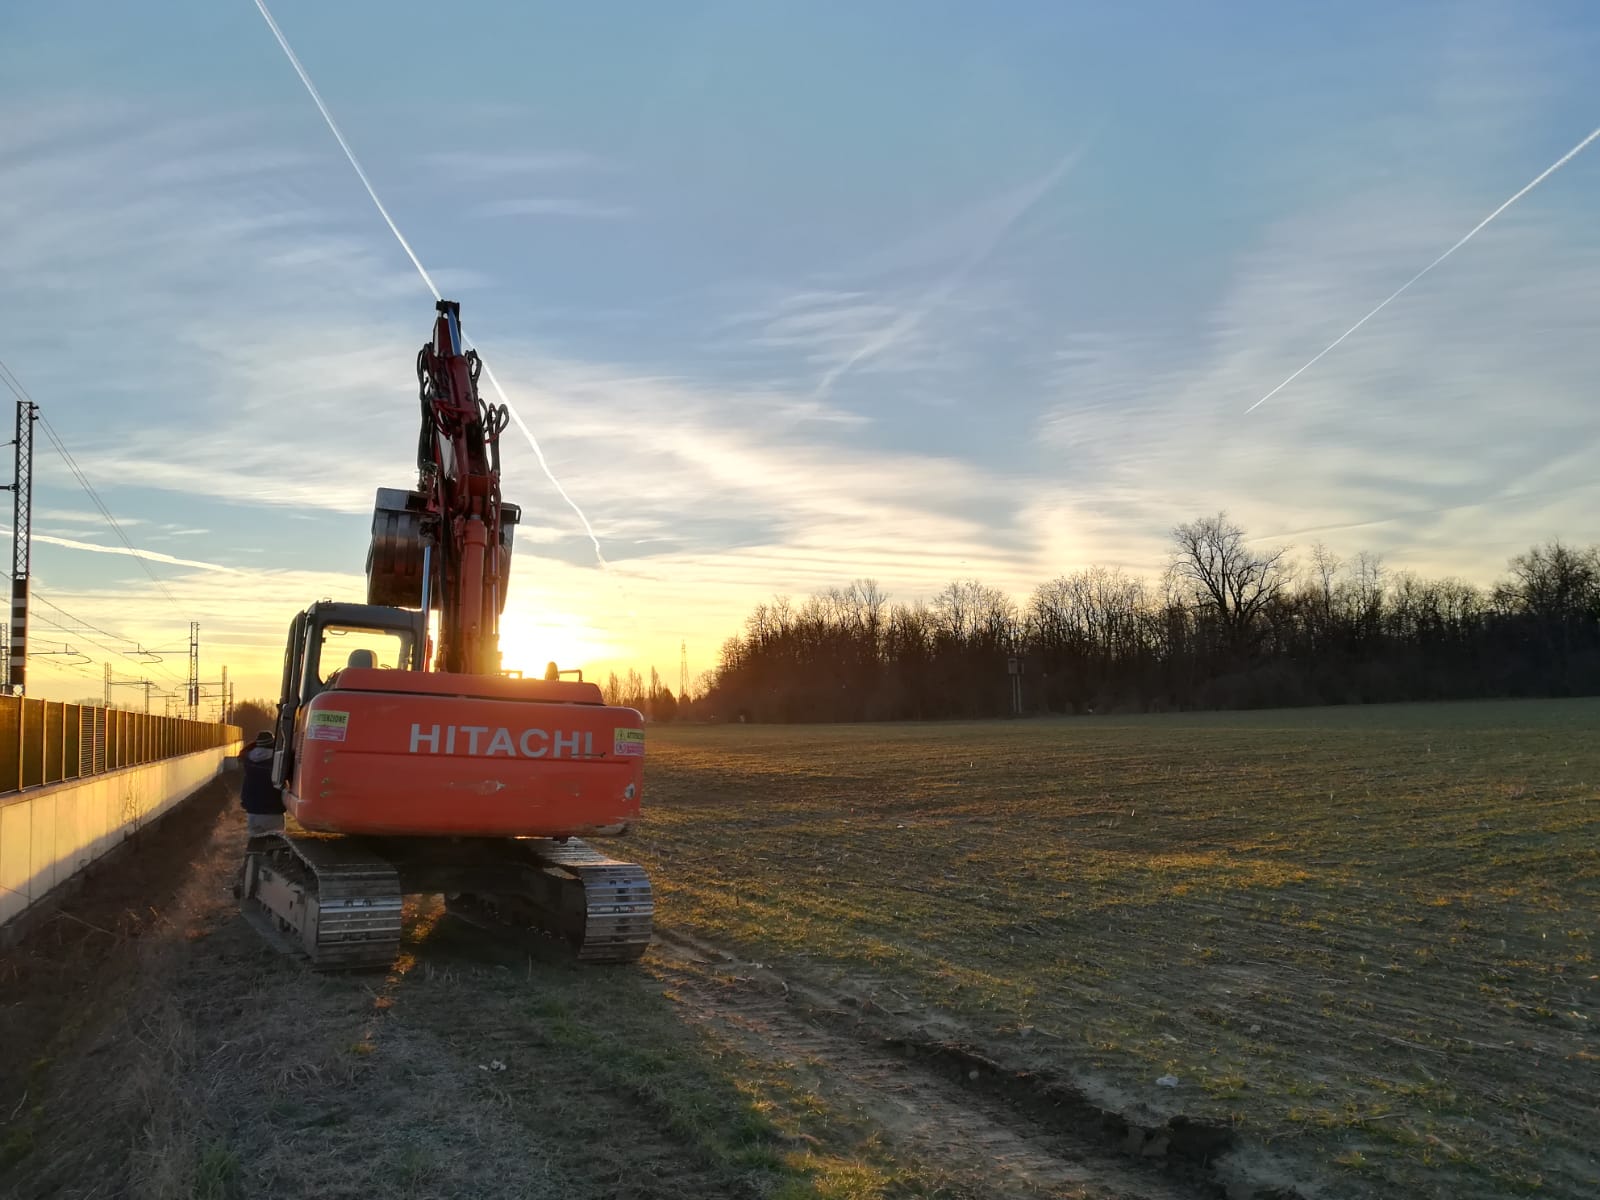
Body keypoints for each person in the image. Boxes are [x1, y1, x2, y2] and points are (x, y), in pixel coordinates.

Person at [239, 730, 286, 835]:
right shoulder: (278, 761)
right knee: (274, 845)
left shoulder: (248, 760)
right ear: (272, 744)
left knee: (255, 844)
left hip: (253, 812)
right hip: (273, 812)